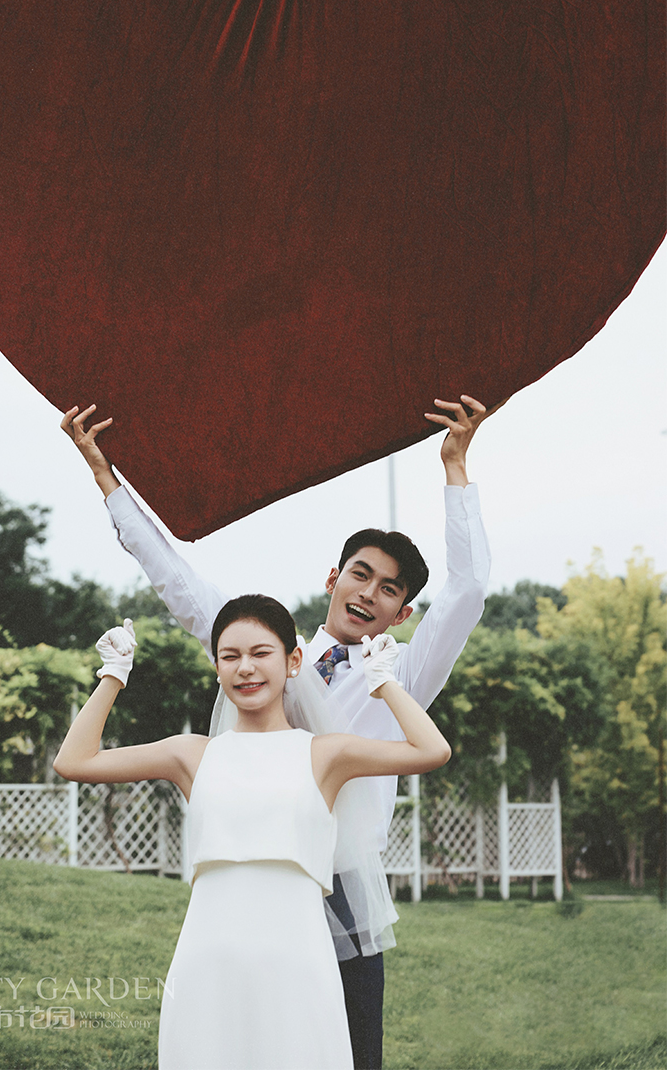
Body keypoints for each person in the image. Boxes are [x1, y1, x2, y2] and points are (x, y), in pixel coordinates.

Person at [61, 393, 494, 1069]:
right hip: (243, 886)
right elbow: (175, 578)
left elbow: (468, 591)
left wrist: (456, 468)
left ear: (403, 613)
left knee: (347, 1050)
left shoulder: (402, 674)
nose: (368, 593)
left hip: (341, 886)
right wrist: (105, 479)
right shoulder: (263, 653)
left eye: (388, 590)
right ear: (333, 578)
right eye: (360, 575)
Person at [53, 596, 452, 1070]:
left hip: (298, 961)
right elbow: (74, 762)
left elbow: (432, 750)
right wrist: (113, 675)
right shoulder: (192, 755)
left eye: (261, 653)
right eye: (230, 656)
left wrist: (384, 682)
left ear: (293, 661)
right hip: (208, 960)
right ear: (217, 668)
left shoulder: (326, 754)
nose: (245, 668)